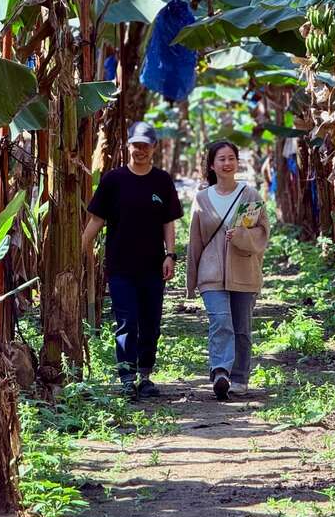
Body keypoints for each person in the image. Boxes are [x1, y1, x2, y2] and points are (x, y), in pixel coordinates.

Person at [82, 121, 183, 399]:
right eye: (135, 145)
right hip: (120, 266)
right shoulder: (113, 180)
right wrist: (80, 248)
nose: (139, 150)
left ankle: (145, 376)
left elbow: (168, 222)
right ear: (128, 145)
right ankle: (126, 377)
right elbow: (97, 219)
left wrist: (170, 255)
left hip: (152, 265)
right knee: (126, 321)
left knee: (151, 322)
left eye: (145, 146)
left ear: (154, 148)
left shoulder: (161, 180)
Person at [186, 140, 269, 400]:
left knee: (242, 327)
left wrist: (242, 235)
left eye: (231, 158)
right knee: (220, 320)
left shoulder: (250, 195)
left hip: (244, 270)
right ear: (212, 164)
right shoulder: (201, 199)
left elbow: (263, 233)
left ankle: (240, 377)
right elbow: (194, 241)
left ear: (237, 162)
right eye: (221, 159)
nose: (227, 163)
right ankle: (220, 371)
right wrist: (191, 281)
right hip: (210, 274)